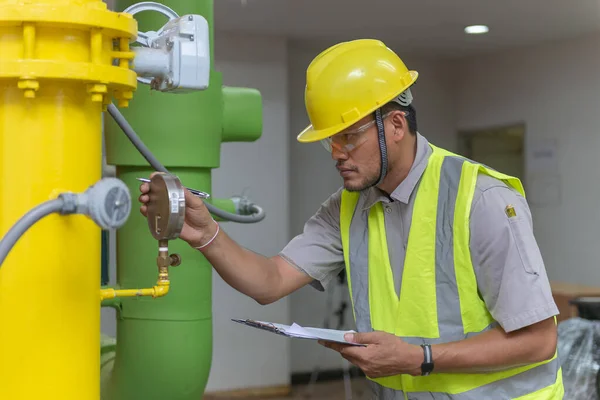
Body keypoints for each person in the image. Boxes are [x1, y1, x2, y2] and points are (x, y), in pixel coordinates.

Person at [138, 39, 564, 399]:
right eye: (329, 142)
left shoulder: (482, 198)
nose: (337, 153)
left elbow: (540, 340)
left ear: (396, 124)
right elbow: (268, 282)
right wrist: (205, 233)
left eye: (348, 136)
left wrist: (419, 358)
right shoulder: (347, 207)